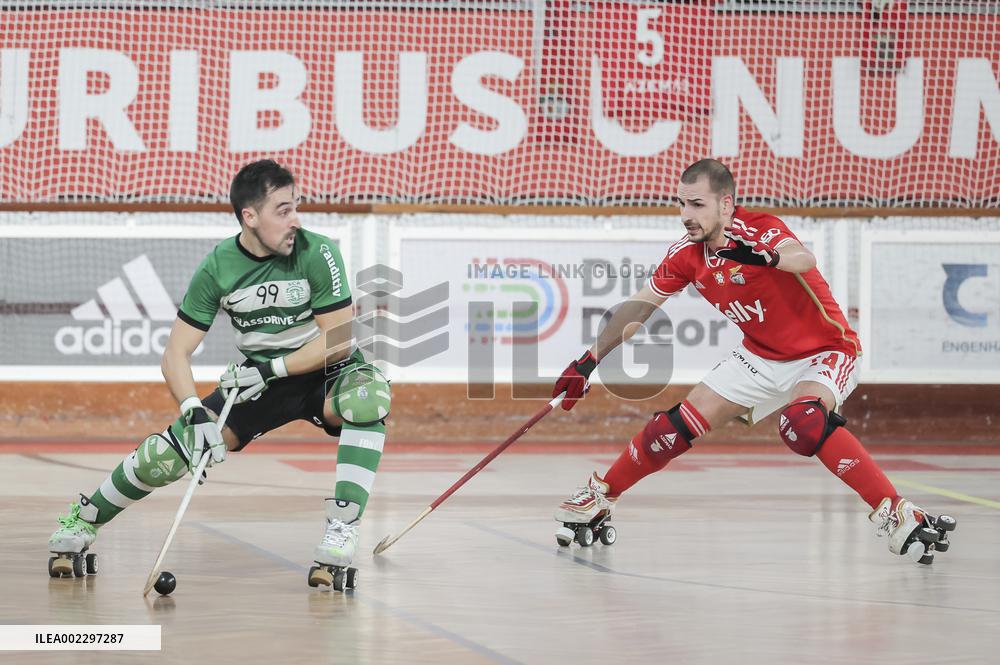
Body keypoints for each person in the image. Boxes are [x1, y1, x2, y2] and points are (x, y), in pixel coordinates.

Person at [550, 158, 956, 564]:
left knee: (803, 422)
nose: (686, 216)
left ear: (726, 205)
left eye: (697, 205)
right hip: (759, 356)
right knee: (668, 430)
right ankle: (602, 496)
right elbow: (638, 308)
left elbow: (802, 258)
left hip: (825, 351)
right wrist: (588, 361)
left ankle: (896, 511)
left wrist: (763, 258)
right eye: (681, 205)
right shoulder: (687, 254)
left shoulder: (759, 228)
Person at [47, 160, 390, 588]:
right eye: (282, 210)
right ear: (250, 216)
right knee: (173, 451)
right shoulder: (218, 267)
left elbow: (336, 341)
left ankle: (343, 528)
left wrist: (270, 369)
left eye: (295, 206)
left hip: (325, 372)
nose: (294, 220)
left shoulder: (318, 251)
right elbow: (175, 353)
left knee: (368, 396)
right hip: (257, 382)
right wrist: (192, 410)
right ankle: (83, 521)